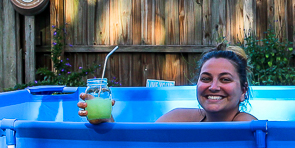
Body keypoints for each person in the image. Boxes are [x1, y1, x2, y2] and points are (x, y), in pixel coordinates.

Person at [77, 44, 257, 123]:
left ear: (243, 91)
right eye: (206, 78)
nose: (213, 86)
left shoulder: (246, 124)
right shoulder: (178, 118)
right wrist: (107, 121)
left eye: (225, 79)